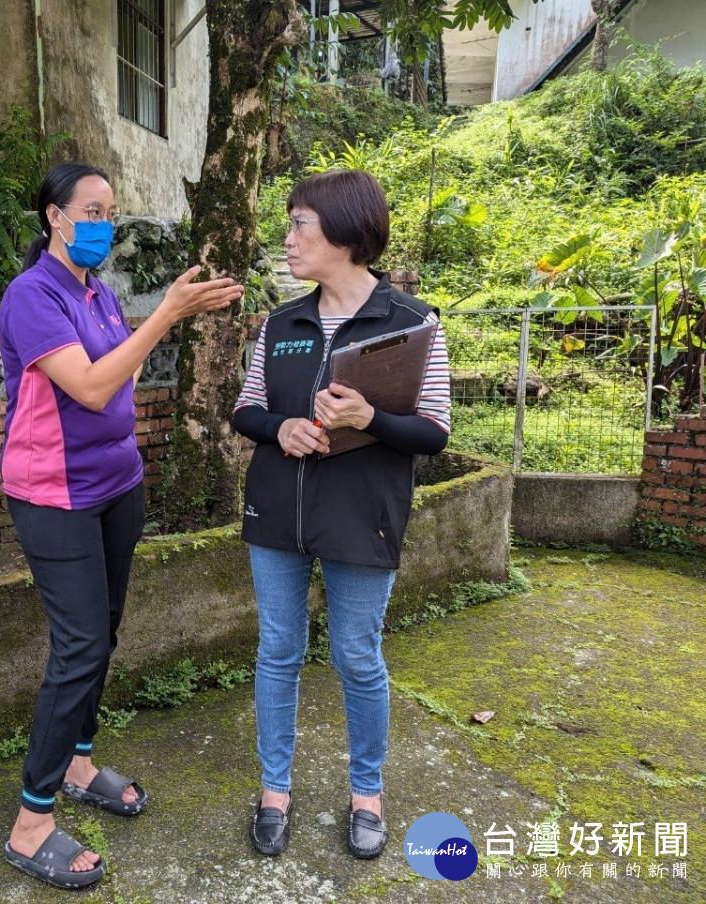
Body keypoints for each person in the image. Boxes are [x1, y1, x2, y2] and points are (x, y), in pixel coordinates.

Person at [0, 162, 244, 889]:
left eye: (112, 209)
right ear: (54, 216)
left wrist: (147, 330)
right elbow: (95, 382)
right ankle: (30, 823)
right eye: (93, 209)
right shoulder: (31, 295)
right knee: (76, 649)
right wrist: (165, 316)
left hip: (117, 485)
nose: (105, 220)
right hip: (56, 494)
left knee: (102, 633)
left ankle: (76, 762)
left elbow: (121, 375)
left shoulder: (97, 292)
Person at [231, 169, 451, 860]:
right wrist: (280, 430)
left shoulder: (412, 322)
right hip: (278, 512)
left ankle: (366, 796)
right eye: (290, 222)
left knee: (358, 656)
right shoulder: (282, 322)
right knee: (278, 652)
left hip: (364, 516)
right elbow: (246, 407)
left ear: (348, 233)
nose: (288, 237)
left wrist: (372, 417)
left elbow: (435, 431)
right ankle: (274, 792)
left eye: (300, 223)